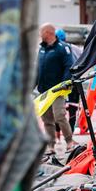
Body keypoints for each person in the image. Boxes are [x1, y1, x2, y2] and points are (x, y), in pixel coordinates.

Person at [37, 23, 75, 155]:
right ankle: (51, 145)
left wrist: (64, 83)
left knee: (59, 115)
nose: (39, 34)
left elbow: (68, 66)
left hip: (57, 90)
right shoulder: (42, 49)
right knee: (47, 119)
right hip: (44, 91)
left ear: (48, 33)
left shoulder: (62, 48)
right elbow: (39, 69)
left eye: (41, 32)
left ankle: (70, 142)